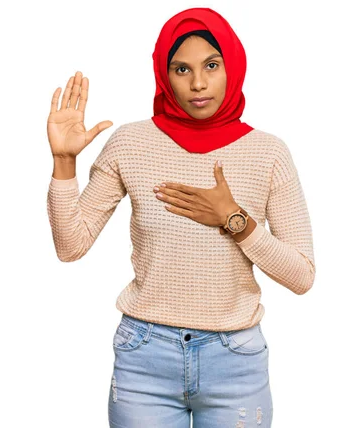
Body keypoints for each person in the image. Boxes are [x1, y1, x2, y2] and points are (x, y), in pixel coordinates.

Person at [46, 7, 315, 428]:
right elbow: (70, 246)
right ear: (163, 75)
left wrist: (234, 219)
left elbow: (302, 276)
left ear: (233, 65)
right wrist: (64, 162)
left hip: (235, 363)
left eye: (212, 64)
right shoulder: (131, 143)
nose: (198, 83)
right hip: (145, 359)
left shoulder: (268, 153)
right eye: (181, 69)